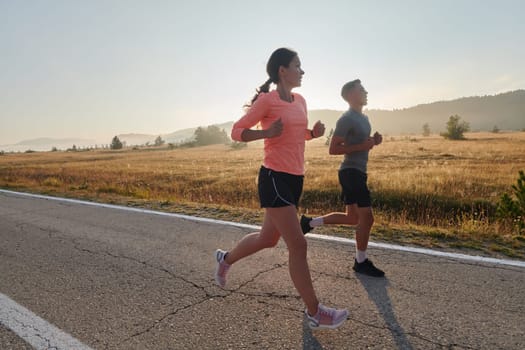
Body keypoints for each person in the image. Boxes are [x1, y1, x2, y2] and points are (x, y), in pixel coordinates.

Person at [214, 48, 349, 329]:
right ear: (282, 71)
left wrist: (313, 134)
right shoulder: (267, 100)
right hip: (273, 178)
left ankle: (226, 259)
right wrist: (266, 133)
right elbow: (237, 131)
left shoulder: (300, 100)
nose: (302, 71)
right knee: (298, 244)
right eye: (297, 66)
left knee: (267, 239)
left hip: (294, 179)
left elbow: (296, 133)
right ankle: (315, 312)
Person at [301, 79, 385, 277]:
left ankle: (308, 223)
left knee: (352, 217)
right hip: (350, 172)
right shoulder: (346, 119)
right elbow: (333, 149)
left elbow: (361, 144)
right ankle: (360, 261)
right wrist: (362, 146)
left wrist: (373, 141)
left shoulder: (364, 119)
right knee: (367, 217)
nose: (365, 92)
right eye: (361, 90)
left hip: (358, 172)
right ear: (350, 96)